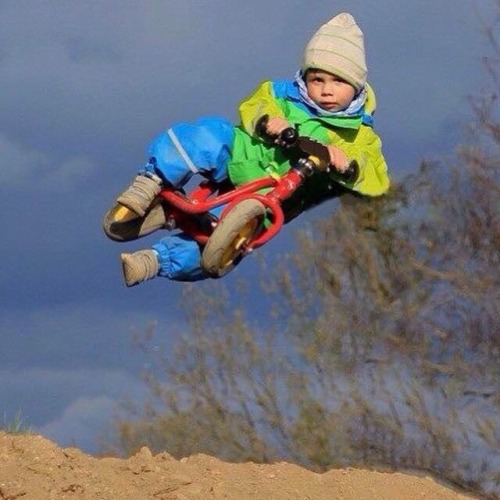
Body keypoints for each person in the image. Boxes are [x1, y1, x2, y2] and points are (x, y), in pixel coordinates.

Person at [103, 12, 390, 286]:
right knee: (205, 137)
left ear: (357, 86)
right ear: (306, 78)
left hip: (276, 192)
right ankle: (150, 181)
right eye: (318, 80)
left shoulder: (360, 135)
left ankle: (154, 261)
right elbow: (253, 105)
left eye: (338, 81)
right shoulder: (281, 93)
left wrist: (350, 166)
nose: (327, 91)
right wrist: (268, 121)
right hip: (243, 153)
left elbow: (376, 178)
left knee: (230, 243)